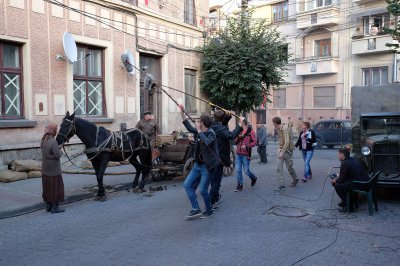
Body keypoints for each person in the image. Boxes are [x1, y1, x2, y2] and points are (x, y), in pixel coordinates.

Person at [180, 105, 220, 219]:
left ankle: (209, 210)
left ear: (202, 123)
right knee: (187, 185)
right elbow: (188, 126)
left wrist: (198, 130)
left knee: (203, 190)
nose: (197, 122)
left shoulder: (211, 133)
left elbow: (207, 142)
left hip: (207, 167)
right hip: (197, 166)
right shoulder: (199, 132)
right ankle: (195, 208)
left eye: (199, 121)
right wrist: (181, 112)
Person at [210, 110, 243, 209]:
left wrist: (228, 116)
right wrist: (240, 124)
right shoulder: (220, 129)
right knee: (216, 182)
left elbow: (223, 125)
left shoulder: (213, 125)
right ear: (221, 118)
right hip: (219, 158)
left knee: (213, 180)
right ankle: (213, 202)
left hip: (211, 157)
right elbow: (231, 135)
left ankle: (215, 197)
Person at [41, 122, 65, 214]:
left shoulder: (43, 140)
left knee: (47, 188)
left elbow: (49, 152)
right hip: (54, 169)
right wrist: (60, 151)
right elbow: (57, 155)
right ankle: (55, 208)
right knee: (55, 188)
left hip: (45, 169)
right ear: (54, 131)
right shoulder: (53, 141)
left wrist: (57, 147)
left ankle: (48, 206)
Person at [272, 116, 298, 192]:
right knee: (279, 168)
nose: (273, 124)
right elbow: (281, 139)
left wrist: (282, 152)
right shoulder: (277, 129)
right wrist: (279, 150)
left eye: (273, 122)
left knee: (289, 168)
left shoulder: (285, 129)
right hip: (281, 150)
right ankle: (281, 185)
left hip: (288, 151)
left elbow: (287, 141)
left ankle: (295, 178)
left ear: (276, 123)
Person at [234, 119, 257, 192]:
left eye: (242, 124)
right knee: (238, 170)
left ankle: (253, 178)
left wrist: (246, 146)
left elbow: (254, 142)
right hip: (238, 153)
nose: (241, 125)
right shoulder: (239, 131)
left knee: (246, 171)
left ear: (245, 124)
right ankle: (240, 184)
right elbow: (235, 141)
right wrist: (238, 137)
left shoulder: (251, 132)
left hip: (246, 154)